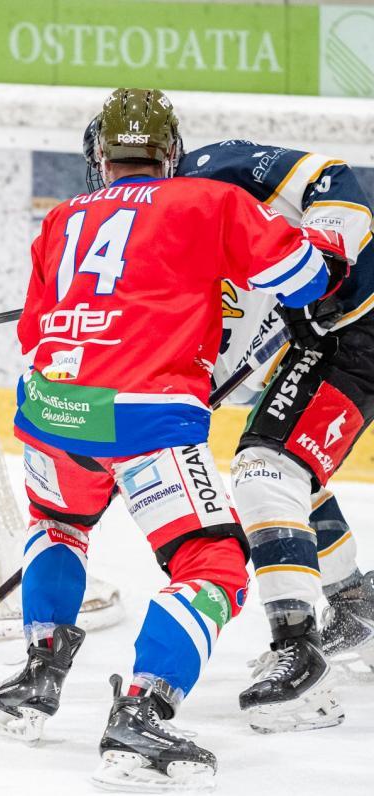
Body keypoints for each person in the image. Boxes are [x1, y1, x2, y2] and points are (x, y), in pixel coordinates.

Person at [0, 88, 348, 791]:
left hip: (50, 409)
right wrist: (330, 238)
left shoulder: (61, 217)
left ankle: (37, 677)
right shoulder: (209, 202)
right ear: (171, 153)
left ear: (100, 155)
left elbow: (32, 332)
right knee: (213, 563)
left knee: (59, 526)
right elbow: (305, 280)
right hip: (144, 416)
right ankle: (142, 712)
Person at [175, 140, 373, 731]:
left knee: (267, 471)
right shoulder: (142, 234)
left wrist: (325, 257)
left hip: (359, 322)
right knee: (287, 471)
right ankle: (355, 606)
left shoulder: (216, 170)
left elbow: (328, 176)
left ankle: (300, 654)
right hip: (318, 341)